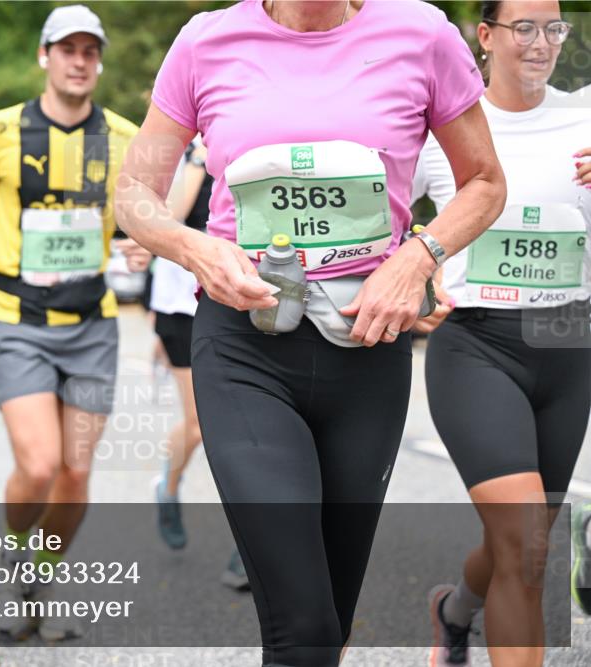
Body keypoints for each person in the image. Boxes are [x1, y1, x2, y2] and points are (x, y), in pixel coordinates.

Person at [115, 1, 507, 664]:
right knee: (304, 626)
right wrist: (193, 248)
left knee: (331, 619)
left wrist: (417, 257)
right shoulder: (206, 40)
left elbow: (485, 182)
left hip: (368, 347)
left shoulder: (421, 34)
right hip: (245, 346)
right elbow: (133, 191)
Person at [0, 4, 150, 641]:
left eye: (91, 51)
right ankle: (12, 554)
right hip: (18, 320)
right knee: (39, 466)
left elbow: (144, 212)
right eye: (69, 50)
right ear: (45, 56)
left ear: (99, 63)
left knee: (76, 473)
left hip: (93, 326)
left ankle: (36, 576)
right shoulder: (1, 129)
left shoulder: (123, 137)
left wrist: (145, 240)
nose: (80, 62)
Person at [411, 2, 590, 664]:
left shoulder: (587, 115)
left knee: (526, 539)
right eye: (524, 26)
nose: (541, 42)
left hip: (568, 340)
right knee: (522, 537)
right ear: (484, 35)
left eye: (554, 27)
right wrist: (411, 274)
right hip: (476, 345)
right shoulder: (444, 130)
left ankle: (453, 611)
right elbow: (384, 220)